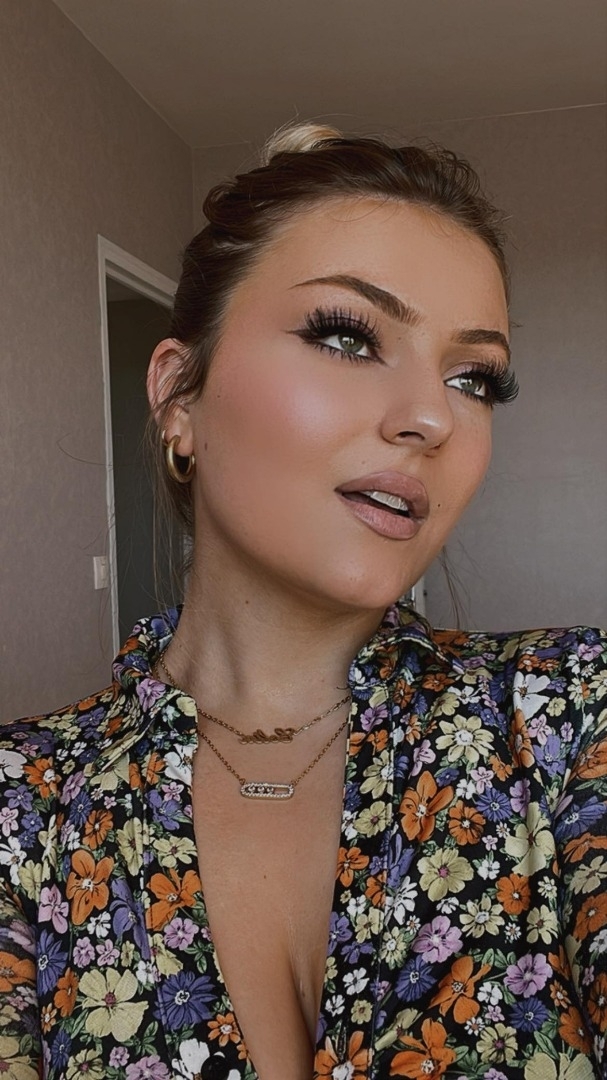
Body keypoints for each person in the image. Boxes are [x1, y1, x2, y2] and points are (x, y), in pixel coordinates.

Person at [0, 123, 605, 1080]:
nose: (433, 417)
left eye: (473, 378)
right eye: (347, 336)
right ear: (180, 396)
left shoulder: (571, 720)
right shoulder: (21, 806)